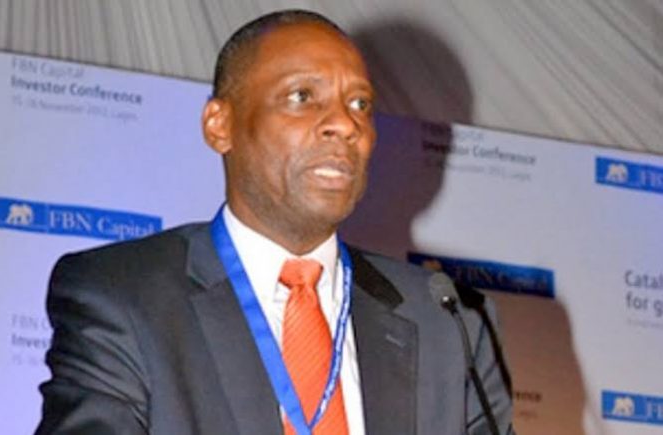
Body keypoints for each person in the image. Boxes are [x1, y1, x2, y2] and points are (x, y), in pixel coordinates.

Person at [35, 10, 513, 435]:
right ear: (220, 125)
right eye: (302, 96)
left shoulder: (448, 319)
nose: (345, 125)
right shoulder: (122, 296)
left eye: (360, 105)